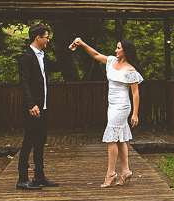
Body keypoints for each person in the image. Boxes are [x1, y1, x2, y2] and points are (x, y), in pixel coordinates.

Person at [69, 36, 143, 187]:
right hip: (112, 105)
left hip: (122, 106)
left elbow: (135, 93)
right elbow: (96, 55)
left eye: (118, 48)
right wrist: (82, 43)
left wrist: (135, 113)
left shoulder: (131, 70)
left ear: (125, 51)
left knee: (112, 137)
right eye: (116, 48)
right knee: (120, 137)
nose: (116, 50)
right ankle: (126, 171)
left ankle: (110, 174)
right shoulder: (111, 62)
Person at [16, 23, 60, 190]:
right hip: (32, 107)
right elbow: (24, 83)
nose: (48, 40)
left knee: (41, 141)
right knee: (29, 141)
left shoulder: (43, 56)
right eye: (46, 37)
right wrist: (31, 104)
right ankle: (22, 179)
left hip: (43, 106)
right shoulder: (26, 57)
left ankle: (39, 176)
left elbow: (58, 67)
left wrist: (70, 50)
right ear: (38, 38)